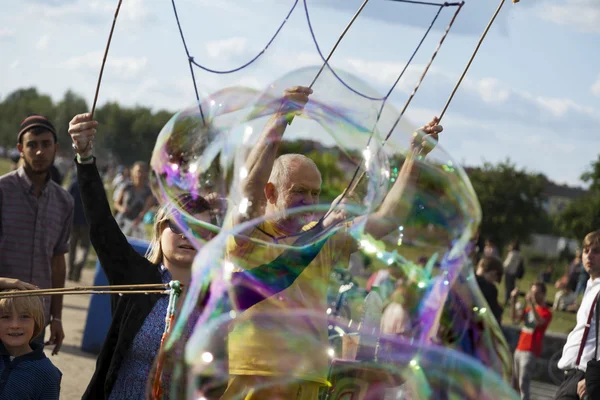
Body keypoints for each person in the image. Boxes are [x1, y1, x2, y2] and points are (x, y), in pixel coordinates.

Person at [222, 86, 443, 399]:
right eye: (299, 191)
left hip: (309, 374)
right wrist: (279, 118)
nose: (311, 201)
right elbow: (249, 187)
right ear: (271, 193)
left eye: (316, 193)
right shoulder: (249, 233)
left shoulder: (324, 235)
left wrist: (413, 158)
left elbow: (388, 219)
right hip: (259, 373)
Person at [68, 113, 218, 399]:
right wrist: (85, 159)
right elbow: (101, 223)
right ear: (160, 230)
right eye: (178, 226)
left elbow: (276, 273)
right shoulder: (136, 277)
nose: (187, 235)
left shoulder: (214, 296)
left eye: (198, 228)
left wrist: (321, 230)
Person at [0, 115, 72, 355]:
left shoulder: (64, 201)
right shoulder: (2, 191)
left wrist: (58, 317)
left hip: (36, 318)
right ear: (21, 149)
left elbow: (58, 261)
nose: (39, 152)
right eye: (32, 145)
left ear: (56, 149)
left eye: (45, 144)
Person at [555, 231, 600, 400]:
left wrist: (593, 377)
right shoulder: (591, 285)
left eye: (596, 251)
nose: (590, 256)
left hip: (585, 375)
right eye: (586, 251)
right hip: (574, 375)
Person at [0, 290, 62, 399]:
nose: (15, 325)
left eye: (24, 316)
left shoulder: (47, 374)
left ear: (36, 322)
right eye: (5, 317)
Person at [510, 281, 552, 400]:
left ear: (543, 294)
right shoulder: (528, 309)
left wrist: (532, 305)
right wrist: (513, 300)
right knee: (514, 383)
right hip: (519, 348)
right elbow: (514, 319)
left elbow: (539, 322)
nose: (533, 295)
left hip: (531, 350)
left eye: (536, 293)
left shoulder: (546, 312)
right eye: (532, 292)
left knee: (523, 382)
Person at [114, 161, 155, 240]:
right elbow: (116, 203)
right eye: (138, 171)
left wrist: (138, 219)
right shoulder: (126, 187)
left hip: (138, 223)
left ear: (146, 173)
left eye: (142, 172)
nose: (139, 174)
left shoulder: (148, 191)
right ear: (132, 172)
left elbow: (145, 209)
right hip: (122, 220)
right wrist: (122, 209)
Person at [67, 174, 91, 282]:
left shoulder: (74, 183)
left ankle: (71, 271)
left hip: (73, 220)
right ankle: (78, 268)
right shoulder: (95, 185)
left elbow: (66, 200)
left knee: (72, 247)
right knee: (84, 248)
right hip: (87, 223)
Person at [475, 256, 504, 326]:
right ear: (494, 273)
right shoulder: (490, 289)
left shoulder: (467, 280)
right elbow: (493, 315)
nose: (493, 282)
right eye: (494, 280)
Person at [503, 240, 524, 305]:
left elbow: (507, 263)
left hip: (509, 272)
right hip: (514, 273)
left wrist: (502, 268)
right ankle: (512, 300)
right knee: (512, 287)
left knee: (507, 287)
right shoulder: (520, 255)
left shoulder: (512, 254)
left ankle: (507, 300)